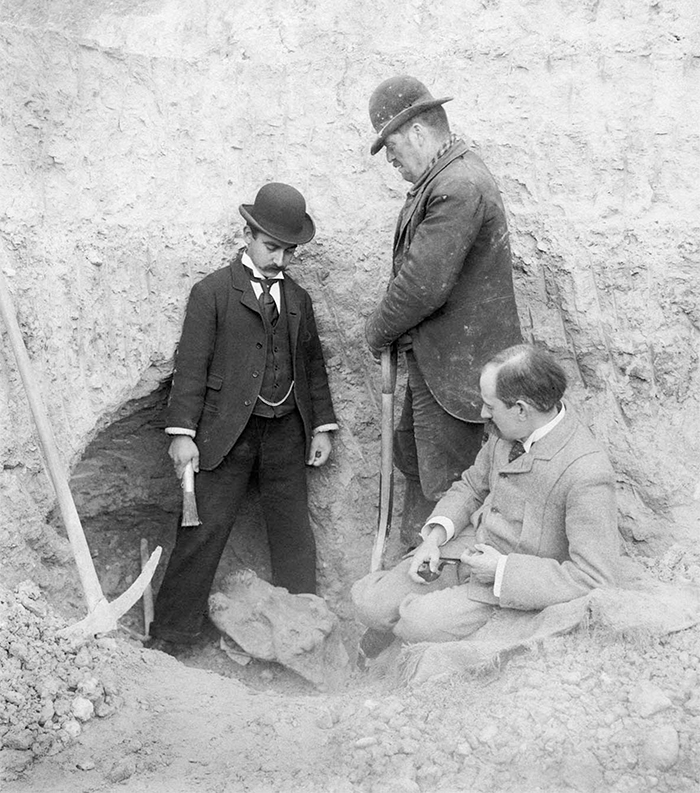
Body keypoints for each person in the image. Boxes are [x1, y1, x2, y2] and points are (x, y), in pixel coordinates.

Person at [149, 182, 337, 650]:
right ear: (248, 234)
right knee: (203, 529)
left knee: (293, 531)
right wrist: (182, 434)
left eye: (288, 251)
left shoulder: (299, 300)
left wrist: (321, 427)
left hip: (285, 432)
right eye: (272, 247)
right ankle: (172, 638)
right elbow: (190, 367)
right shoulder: (211, 292)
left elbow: (312, 366)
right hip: (223, 432)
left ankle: (304, 638)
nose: (280, 259)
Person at [352, 343, 619, 654]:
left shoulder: (586, 470)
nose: (482, 414)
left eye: (490, 407)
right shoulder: (507, 431)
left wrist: (503, 571)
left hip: (503, 585)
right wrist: (434, 538)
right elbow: (472, 485)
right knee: (369, 603)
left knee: (416, 622)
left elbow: (595, 577)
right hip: (464, 550)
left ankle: (394, 647)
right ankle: (390, 630)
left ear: (521, 409)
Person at [365, 75, 522, 547]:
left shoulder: (457, 185)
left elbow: (421, 285)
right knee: (415, 460)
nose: (390, 159)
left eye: (391, 145)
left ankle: (438, 594)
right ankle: (413, 576)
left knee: (449, 486)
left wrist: (376, 331)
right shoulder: (445, 179)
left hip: (460, 376)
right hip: (443, 369)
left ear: (416, 131)